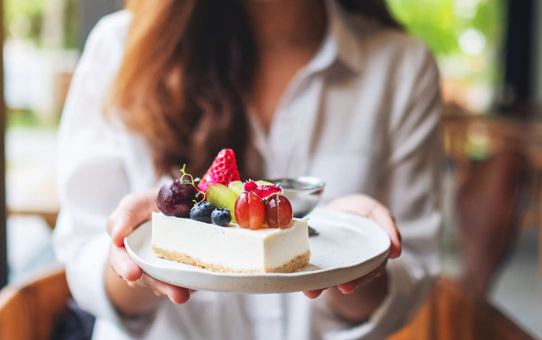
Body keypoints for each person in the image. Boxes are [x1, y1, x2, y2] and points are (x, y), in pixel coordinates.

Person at [54, 0, 442, 339]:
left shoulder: (402, 68)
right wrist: (140, 260)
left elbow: (411, 276)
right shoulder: (120, 49)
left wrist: (358, 261)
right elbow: (82, 253)